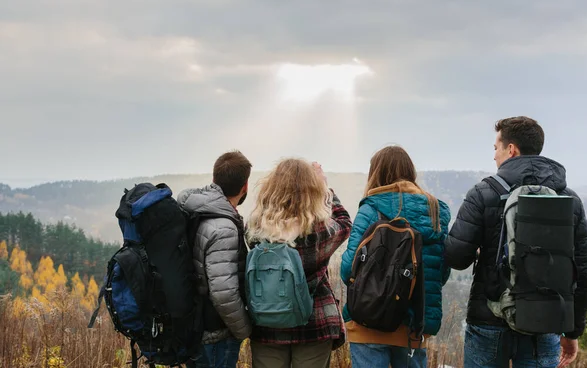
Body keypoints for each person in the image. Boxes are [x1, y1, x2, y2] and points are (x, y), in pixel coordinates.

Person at [444, 116, 587, 368]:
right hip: (545, 323)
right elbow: (583, 272)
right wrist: (572, 332)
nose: (494, 156)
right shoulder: (569, 199)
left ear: (511, 149)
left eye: (496, 148)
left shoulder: (483, 193)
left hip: (489, 320)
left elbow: (456, 258)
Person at [340, 145, 452, 368]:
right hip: (414, 324)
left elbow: (347, 270)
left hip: (369, 319)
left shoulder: (371, 208)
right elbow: (441, 272)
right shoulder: (434, 210)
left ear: (376, 173)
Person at [246, 159, 352, 368]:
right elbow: (344, 222)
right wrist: (325, 188)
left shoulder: (256, 230)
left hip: (267, 321)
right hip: (314, 321)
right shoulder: (319, 231)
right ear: (313, 190)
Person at [178, 150, 252, 368]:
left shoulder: (192, 207)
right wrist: (244, 330)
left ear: (214, 180)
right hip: (216, 336)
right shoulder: (224, 228)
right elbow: (223, 293)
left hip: (192, 326)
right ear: (244, 187)